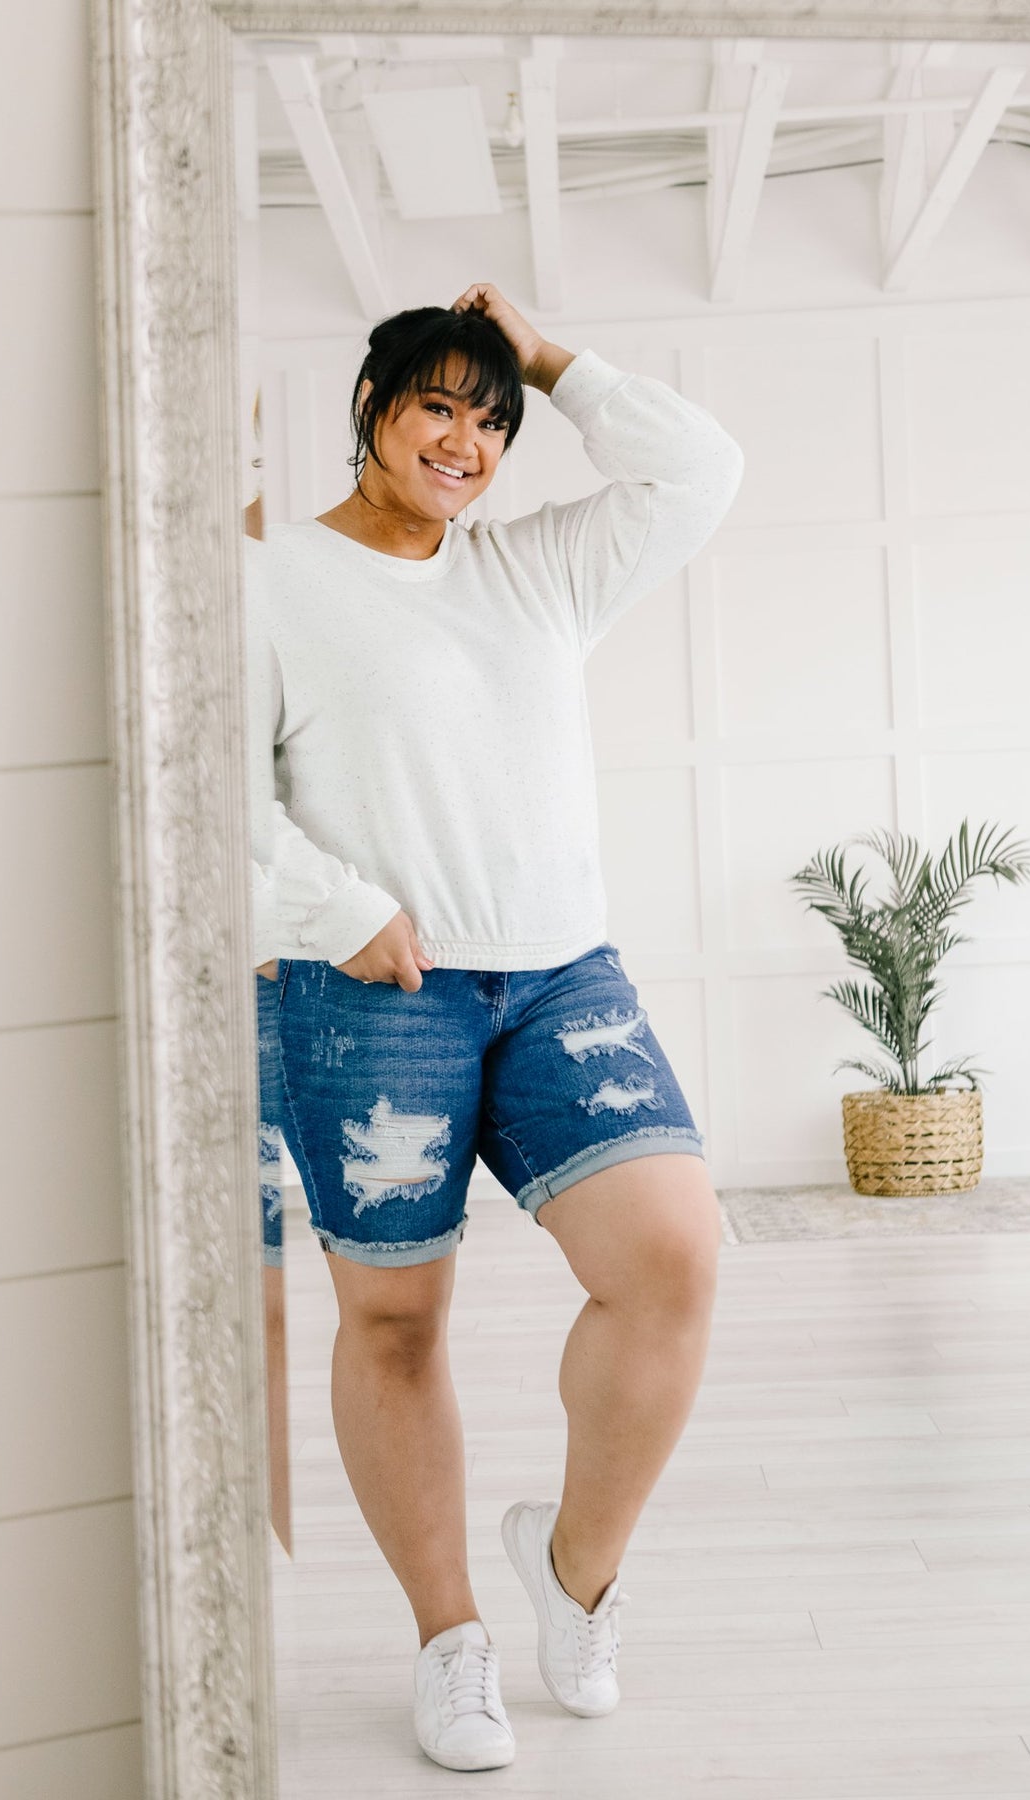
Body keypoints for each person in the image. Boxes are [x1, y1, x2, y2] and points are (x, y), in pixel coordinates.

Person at [247, 283, 744, 1773]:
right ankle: (448, 1638)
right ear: (370, 409)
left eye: (491, 418)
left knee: (672, 1259)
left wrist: (550, 355)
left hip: (559, 975)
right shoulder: (267, 579)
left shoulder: (536, 570)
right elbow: (205, 779)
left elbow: (700, 469)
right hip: (368, 992)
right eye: (436, 406)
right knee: (398, 1322)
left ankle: (574, 1573)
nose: (464, 440)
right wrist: (338, 905)